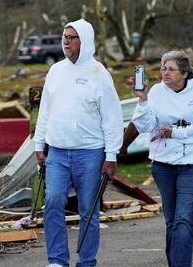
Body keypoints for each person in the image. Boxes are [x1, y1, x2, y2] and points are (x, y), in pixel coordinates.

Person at [34, 19, 123, 267]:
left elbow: (112, 118)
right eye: (64, 37)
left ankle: (86, 261)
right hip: (57, 153)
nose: (66, 41)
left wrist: (111, 155)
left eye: (71, 37)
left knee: (88, 210)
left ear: (84, 42)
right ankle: (57, 260)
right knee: (52, 203)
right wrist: (38, 144)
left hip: (90, 153)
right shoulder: (55, 71)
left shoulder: (99, 74)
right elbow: (45, 111)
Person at [129, 50, 193, 267]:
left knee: (184, 218)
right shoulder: (157, 92)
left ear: (184, 73)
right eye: (163, 68)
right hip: (163, 165)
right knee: (171, 221)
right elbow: (146, 125)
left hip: (192, 164)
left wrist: (177, 133)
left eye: (171, 69)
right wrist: (142, 100)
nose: (165, 72)